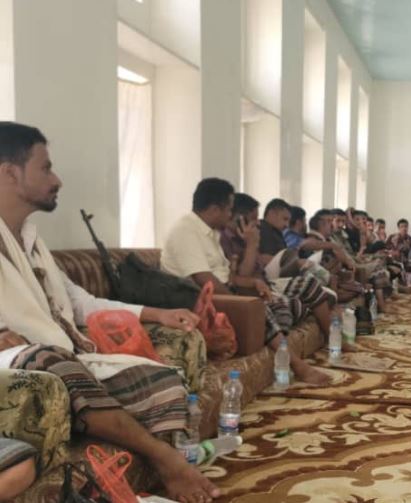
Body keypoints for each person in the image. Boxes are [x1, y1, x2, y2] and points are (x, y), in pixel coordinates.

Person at [0, 122, 218, 501]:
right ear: (9, 173)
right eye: (46, 168)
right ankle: (165, 459)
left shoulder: (31, 239)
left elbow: (79, 302)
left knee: (160, 382)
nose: (57, 180)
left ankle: (122, 453)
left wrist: (157, 313)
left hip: (63, 360)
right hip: (22, 366)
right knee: (50, 360)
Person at [220, 194, 332, 386]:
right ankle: (297, 366)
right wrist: (252, 245)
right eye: (254, 219)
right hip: (246, 293)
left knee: (308, 285)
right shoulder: (226, 239)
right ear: (239, 219)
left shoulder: (247, 235)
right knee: (272, 308)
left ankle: (332, 337)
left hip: (266, 284)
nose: (258, 223)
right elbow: (240, 279)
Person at [258, 199, 292, 265]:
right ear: (272, 213)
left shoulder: (275, 232)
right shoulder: (264, 230)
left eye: (288, 221)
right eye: (285, 219)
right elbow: (268, 260)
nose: (287, 225)